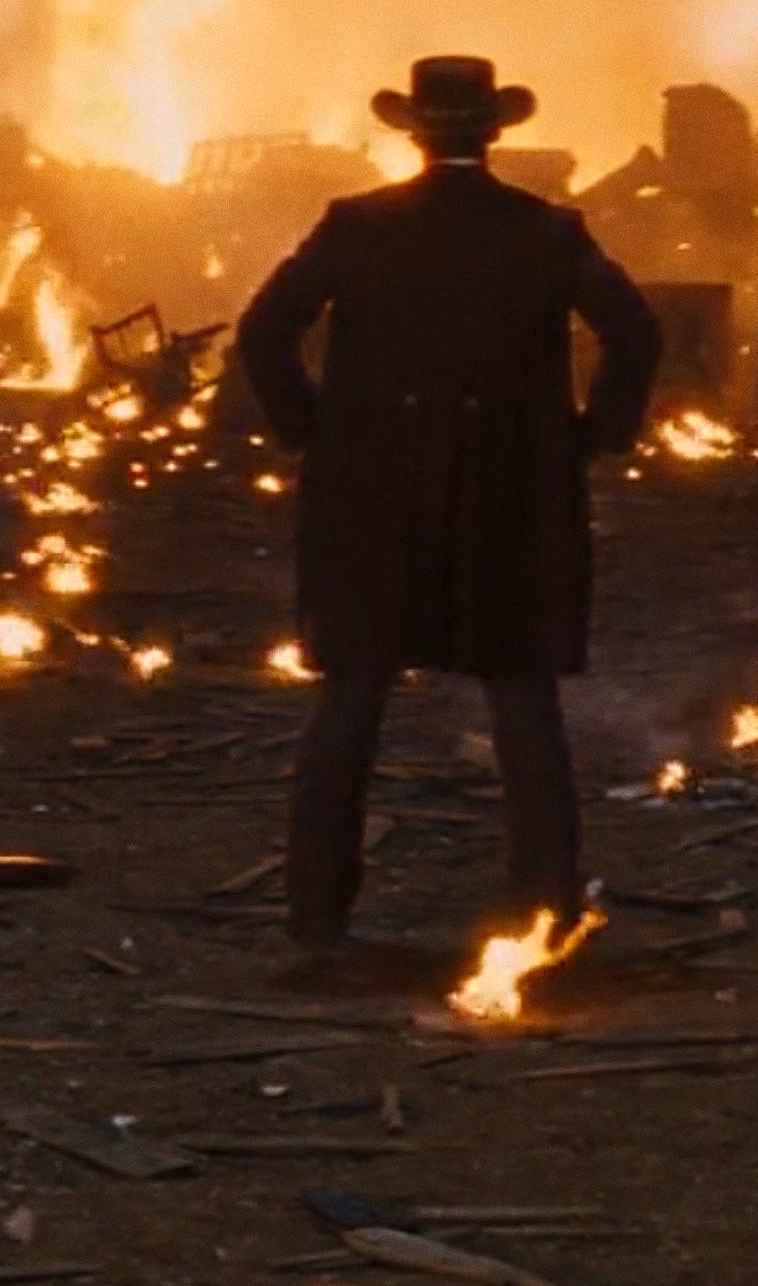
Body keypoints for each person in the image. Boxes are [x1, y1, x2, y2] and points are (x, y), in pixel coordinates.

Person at [236, 56, 663, 954]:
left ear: (414, 135)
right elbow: (635, 332)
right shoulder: (546, 231)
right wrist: (594, 435)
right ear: (494, 132)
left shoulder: (356, 226)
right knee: (522, 699)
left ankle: (316, 916)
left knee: (353, 693)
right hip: (512, 496)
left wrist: (314, 429)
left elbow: (263, 331)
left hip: (373, 496)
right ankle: (544, 914)